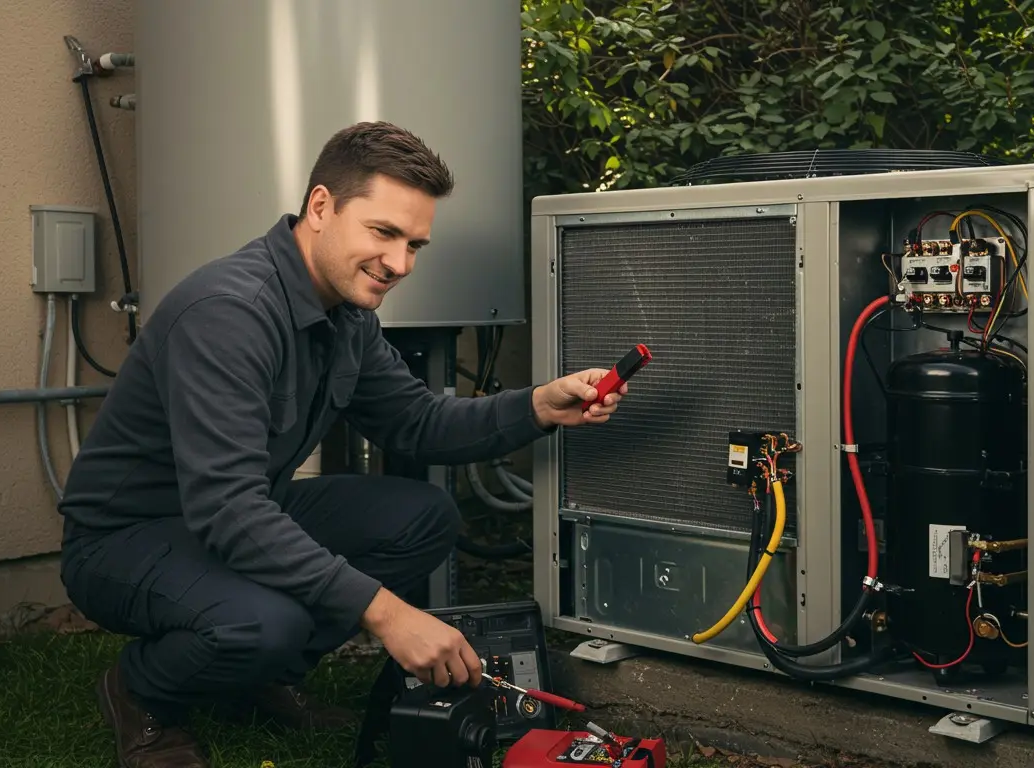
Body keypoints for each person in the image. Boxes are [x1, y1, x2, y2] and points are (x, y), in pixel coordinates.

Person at [57, 121, 627, 768]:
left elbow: (415, 422)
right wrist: (387, 614)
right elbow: (227, 509)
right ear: (321, 207)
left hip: (232, 514)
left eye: (416, 244)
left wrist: (538, 406)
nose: (400, 264)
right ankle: (143, 691)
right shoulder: (229, 313)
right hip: (126, 539)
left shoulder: (347, 315)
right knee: (268, 622)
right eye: (384, 233)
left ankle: (255, 678)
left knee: (423, 519)